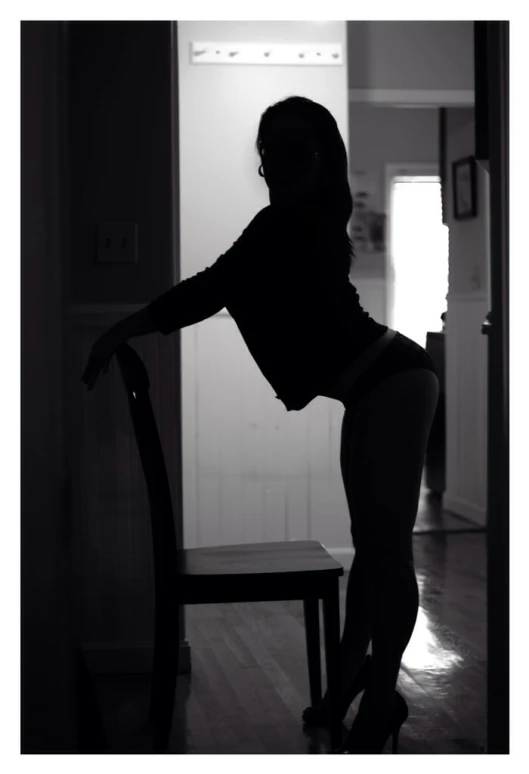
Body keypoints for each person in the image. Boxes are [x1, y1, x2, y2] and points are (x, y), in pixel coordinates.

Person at [82, 96, 440, 754]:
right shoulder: (291, 224)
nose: (275, 164)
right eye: (268, 151)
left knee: (386, 550)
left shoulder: (290, 227)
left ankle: (377, 699)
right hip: (372, 389)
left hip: (393, 382)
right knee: (372, 546)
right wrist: (120, 329)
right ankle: (348, 687)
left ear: (320, 161)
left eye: (294, 152)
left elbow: (210, 288)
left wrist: (117, 329)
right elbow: (219, 287)